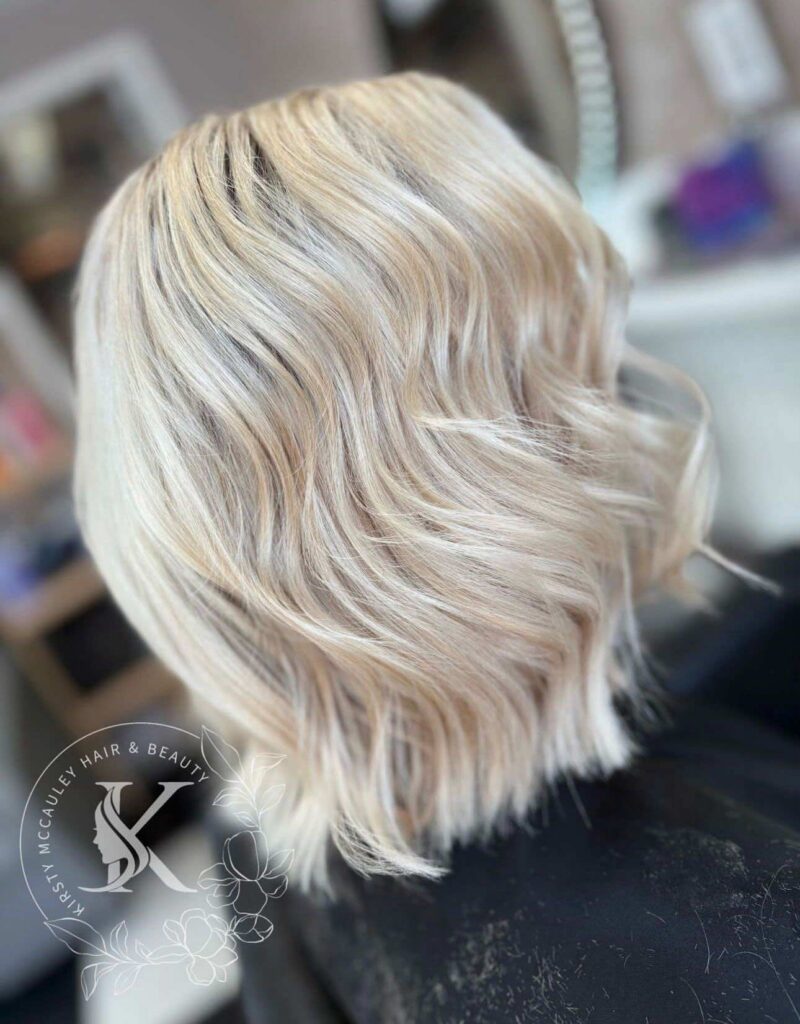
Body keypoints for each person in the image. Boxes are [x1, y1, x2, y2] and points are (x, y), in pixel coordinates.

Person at [73, 73, 800, 1022]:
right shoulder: (754, 943)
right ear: (483, 461)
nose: (606, 376)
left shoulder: (263, 830)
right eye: (565, 349)